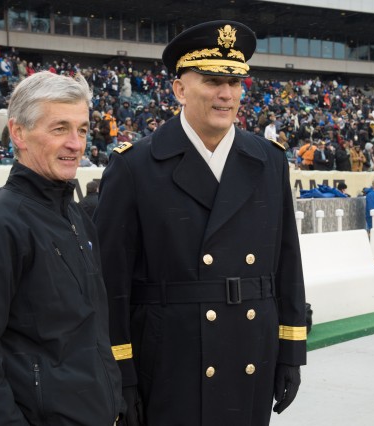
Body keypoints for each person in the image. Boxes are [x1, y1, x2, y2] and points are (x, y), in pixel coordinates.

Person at [94, 21, 307, 426]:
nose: (226, 94)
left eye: (235, 83)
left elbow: (287, 263)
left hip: (249, 351)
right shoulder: (134, 166)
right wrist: (120, 374)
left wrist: (290, 352)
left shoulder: (269, 161)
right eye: (211, 81)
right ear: (179, 89)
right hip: (170, 358)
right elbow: (110, 284)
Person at [0, 71, 123, 425]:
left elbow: (89, 332)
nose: (76, 143)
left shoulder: (76, 217)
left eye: (82, 130)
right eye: (60, 128)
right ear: (19, 133)